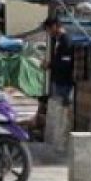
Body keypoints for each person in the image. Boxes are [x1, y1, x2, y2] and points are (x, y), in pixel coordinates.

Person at [39, 16, 75, 147]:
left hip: (63, 82)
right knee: (55, 111)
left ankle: (61, 143)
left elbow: (65, 64)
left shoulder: (66, 41)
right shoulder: (58, 40)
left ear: (54, 26)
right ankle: (55, 141)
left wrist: (49, 64)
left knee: (61, 113)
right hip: (57, 81)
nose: (48, 32)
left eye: (48, 29)